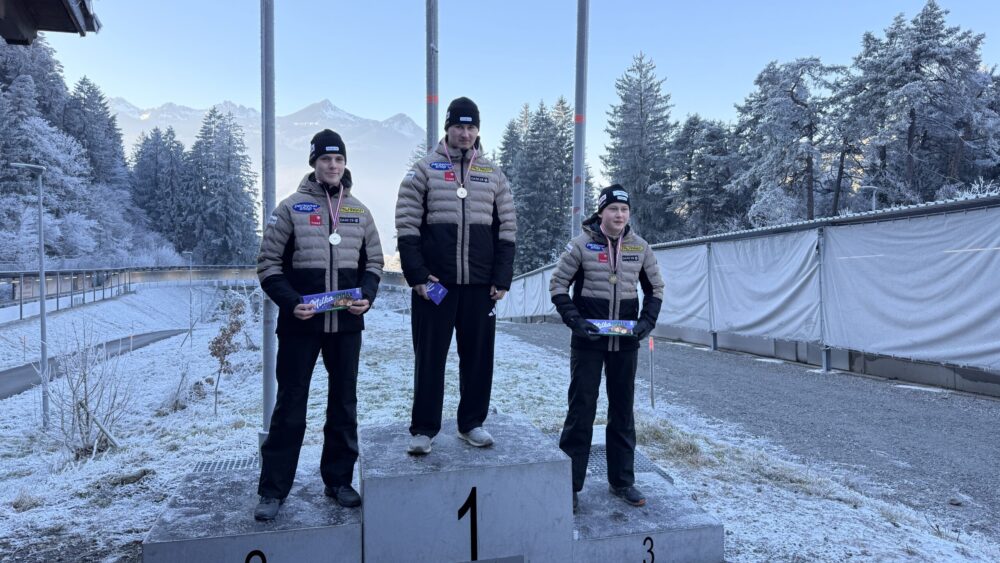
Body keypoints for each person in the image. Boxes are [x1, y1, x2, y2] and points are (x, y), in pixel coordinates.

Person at [254, 129, 384, 521]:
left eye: (339, 159)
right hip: (300, 328)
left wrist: (367, 296)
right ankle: (273, 490)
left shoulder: (359, 211)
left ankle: (339, 480)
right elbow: (268, 265)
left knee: (344, 405)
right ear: (314, 163)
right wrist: (292, 304)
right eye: (326, 159)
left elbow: (374, 264)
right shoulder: (290, 208)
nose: (333, 165)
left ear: (345, 164)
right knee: (290, 407)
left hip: (345, 328)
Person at [395, 96, 516, 454]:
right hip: (436, 285)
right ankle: (424, 429)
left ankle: (472, 423)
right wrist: (417, 274)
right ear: (447, 128)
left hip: (480, 286)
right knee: (430, 358)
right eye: (458, 126)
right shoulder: (424, 170)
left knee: (478, 358)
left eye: (471, 127)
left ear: (478, 131)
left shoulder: (492, 173)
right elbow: (406, 226)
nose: (465, 133)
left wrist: (502, 275)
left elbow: (507, 227)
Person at [549, 185, 664, 512]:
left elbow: (656, 288)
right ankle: (569, 485)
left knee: (623, 411)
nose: (619, 215)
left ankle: (622, 481)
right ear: (601, 212)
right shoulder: (580, 246)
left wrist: (646, 324)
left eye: (624, 210)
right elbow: (558, 285)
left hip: (625, 343)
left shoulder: (640, 248)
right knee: (581, 409)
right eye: (613, 209)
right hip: (588, 341)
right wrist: (575, 320)